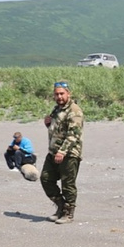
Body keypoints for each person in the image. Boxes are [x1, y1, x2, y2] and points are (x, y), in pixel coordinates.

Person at [40, 81, 84, 224]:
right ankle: (60, 206)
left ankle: (68, 213)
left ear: (68, 93)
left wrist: (62, 152)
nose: (59, 96)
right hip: (53, 152)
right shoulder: (57, 109)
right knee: (46, 178)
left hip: (69, 154)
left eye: (61, 94)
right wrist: (48, 123)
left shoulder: (74, 111)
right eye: (56, 94)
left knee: (68, 184)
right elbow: (57, 129)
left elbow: (73, 135)